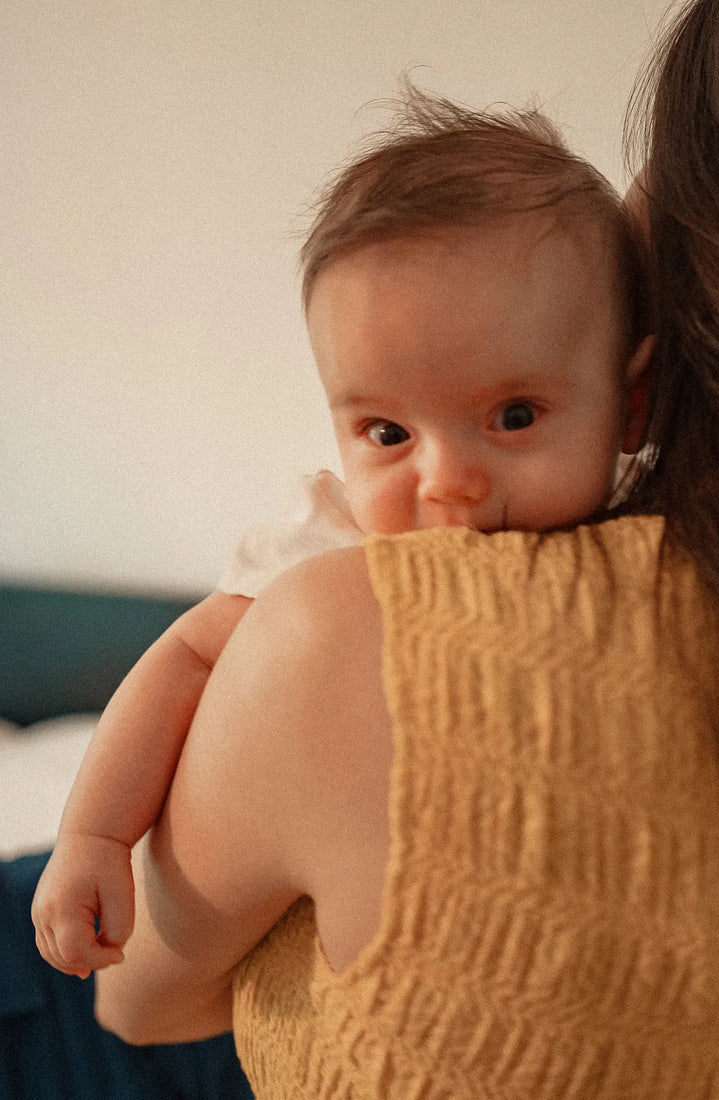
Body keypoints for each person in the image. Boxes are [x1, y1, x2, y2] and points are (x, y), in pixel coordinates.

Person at [96, 0, 719, 1095]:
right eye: (386, 431)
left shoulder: (364, 636)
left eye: (664, 164)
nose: (633, 205)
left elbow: (133, 997)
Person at [31, 93, 651, 980]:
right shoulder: (332, 544)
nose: (443, 481)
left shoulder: (647, 541)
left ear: (629, 402)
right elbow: (186, 659)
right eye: (388, 434)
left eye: (513, 416)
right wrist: (92, 834)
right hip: (144, 922)